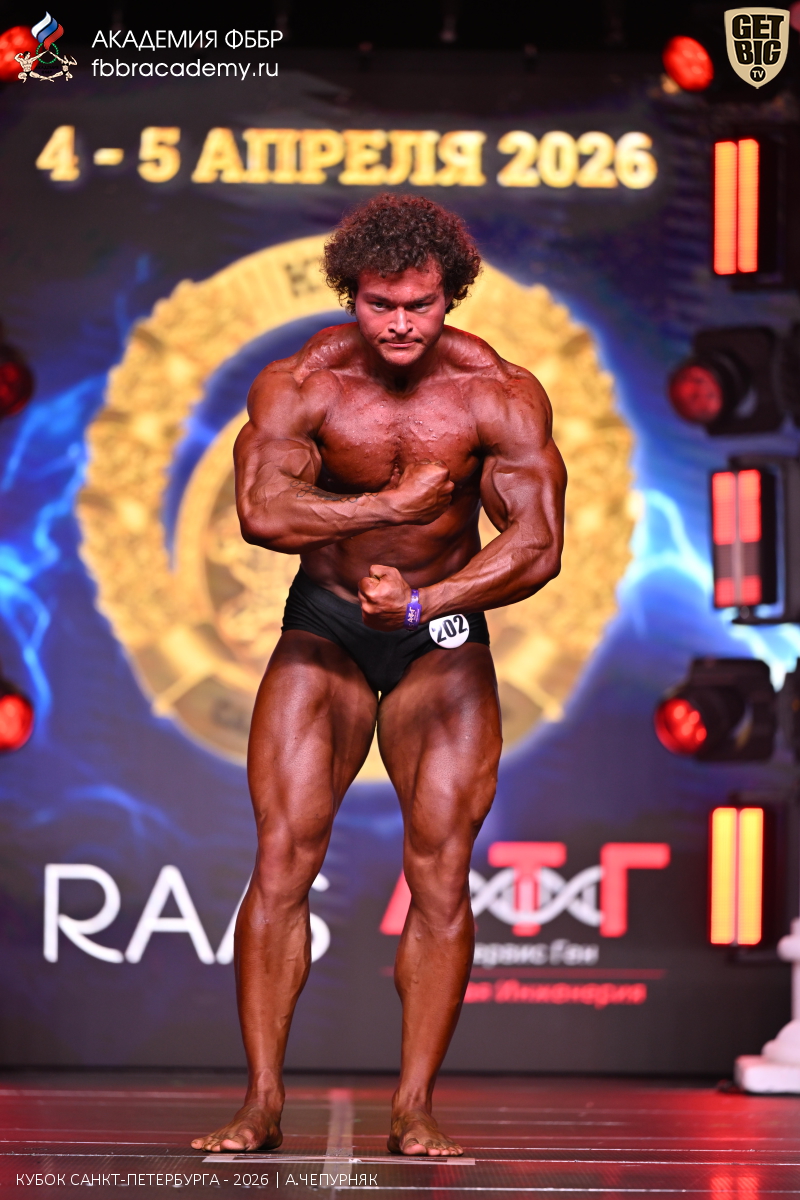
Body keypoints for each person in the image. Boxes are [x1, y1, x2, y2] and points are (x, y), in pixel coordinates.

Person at [192, 194, 566, 1158]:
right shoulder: (303, 383)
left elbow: (538, 542)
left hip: (441, 631)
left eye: (420, 305)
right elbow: (262, 514)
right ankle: (260, 1102)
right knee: (283, 858)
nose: (400, 324)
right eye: (380, 305)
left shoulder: (497, 393)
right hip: (325, 625)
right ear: (351, 296)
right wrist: (386, 507)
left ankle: (414, 1108)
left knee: (440, 870)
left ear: (451, 297)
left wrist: (427, 600)